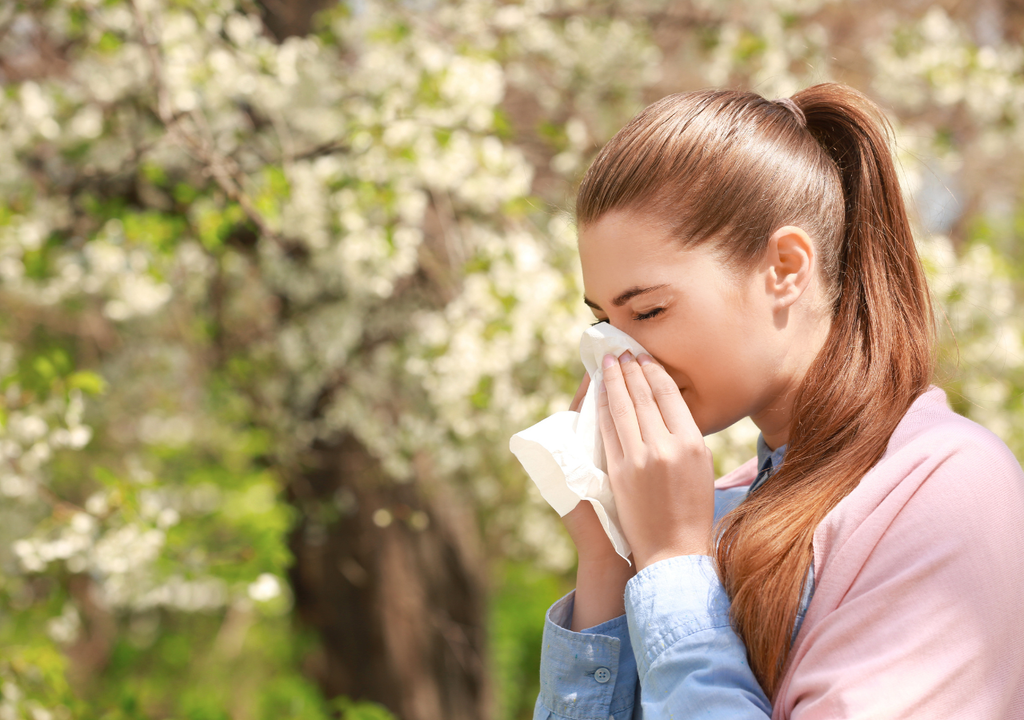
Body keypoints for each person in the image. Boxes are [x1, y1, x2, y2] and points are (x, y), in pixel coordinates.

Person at [532, 83, 1024, 719]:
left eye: (648, 310)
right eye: (603, 321)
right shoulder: (719, 508)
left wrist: (674, 563)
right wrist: (609, 558)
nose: (618, 356)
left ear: (786, 268)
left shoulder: (944, 487)